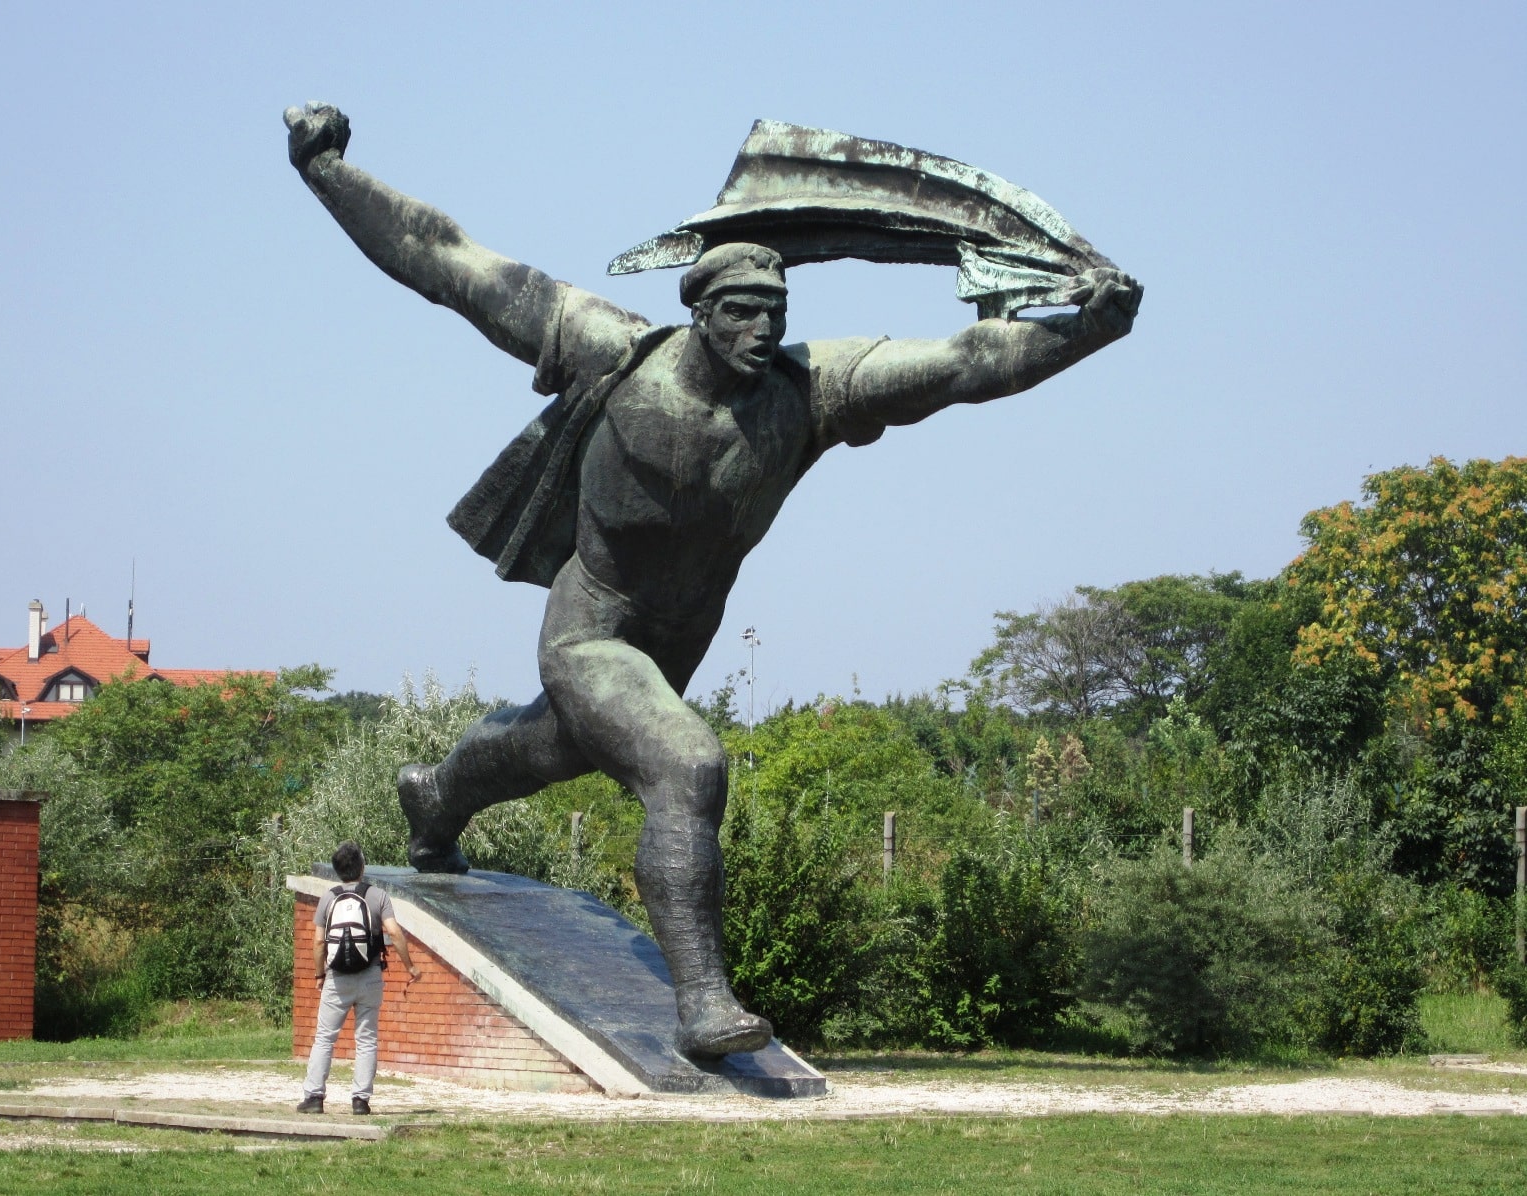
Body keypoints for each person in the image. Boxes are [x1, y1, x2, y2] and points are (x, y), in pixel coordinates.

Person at [284, 104, 1140, 1058]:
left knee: (548, 750)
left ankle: (437, 795)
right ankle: (702, 1006)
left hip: (673, 644)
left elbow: (962, 361)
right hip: (593, 629)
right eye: (742, 312)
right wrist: (327, 173)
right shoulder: (609, 349)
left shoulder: (807, 395)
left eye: (776, 314)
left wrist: (1083, 332)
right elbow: (447, 261)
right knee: (686, 764)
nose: (763, 330)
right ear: (698, 310)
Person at [297, 839, 420, 1115]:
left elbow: (318, 943)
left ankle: (314, 1097)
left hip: (337, 979)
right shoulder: (378, 896)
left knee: (325, 1038)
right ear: (362, 867)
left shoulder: (328, 898)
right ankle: (360, 1100)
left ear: (337, 870)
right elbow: (395, 933)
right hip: (370, 976)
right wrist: (410, 966)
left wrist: (319, 974)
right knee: (366, 1039)